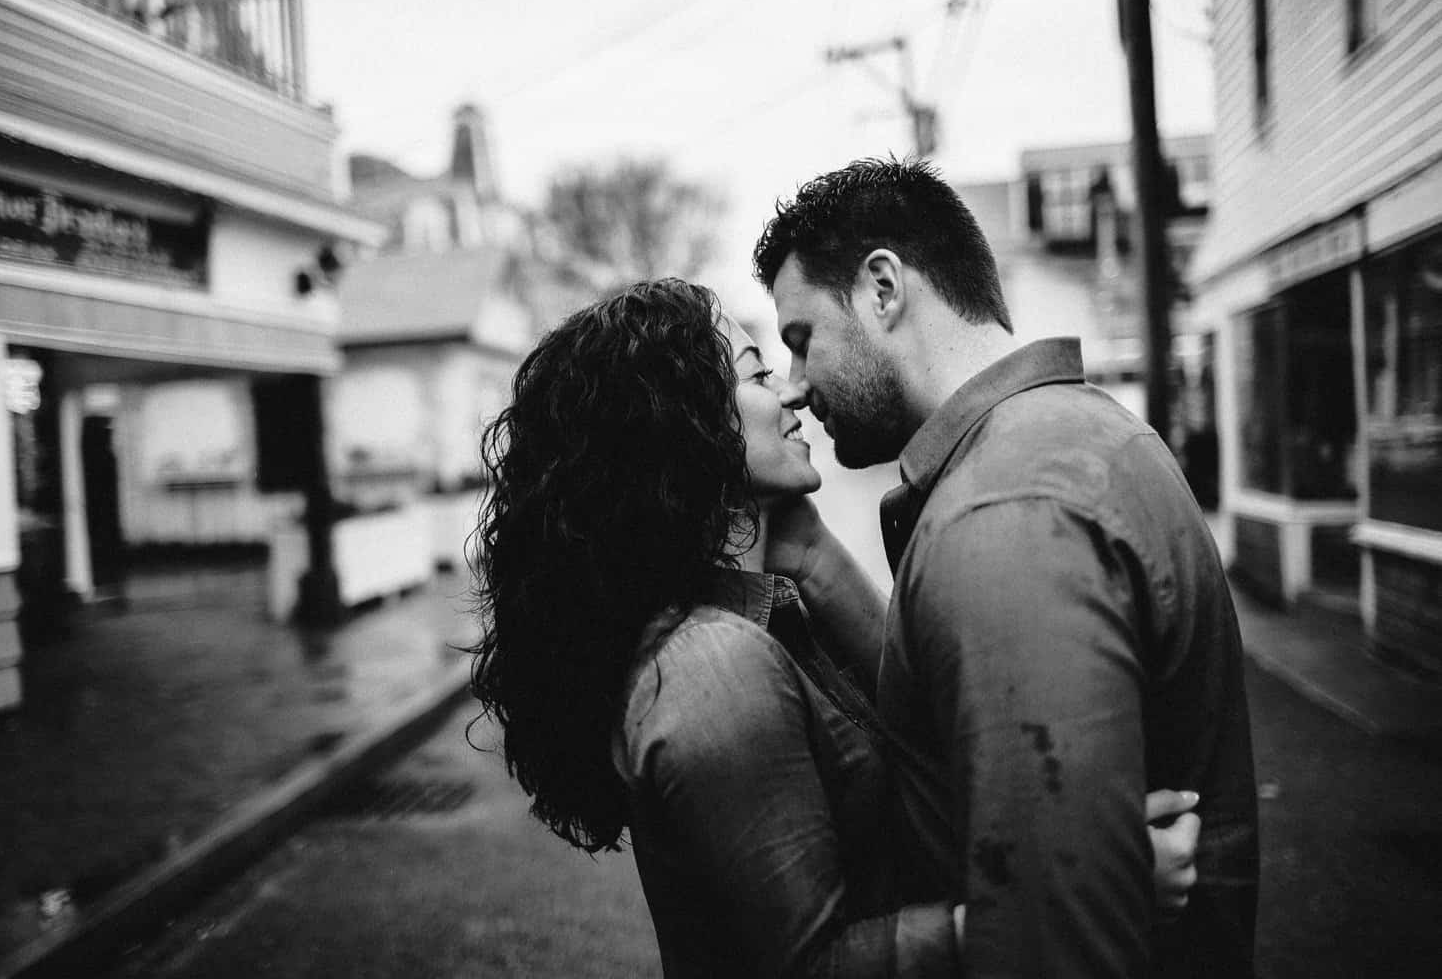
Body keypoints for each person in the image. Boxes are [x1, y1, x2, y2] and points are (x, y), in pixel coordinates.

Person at [469, 279, 1203, 977]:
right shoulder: (714, 668)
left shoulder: (758, 615)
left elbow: (919, 729)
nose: (791, 390)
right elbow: (810, 965)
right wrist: (1077, 901)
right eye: (757, 374)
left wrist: (813, 556)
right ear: (681, 424)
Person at [751, 158, 1259, 978]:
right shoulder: (1074, 435)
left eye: (802, 340)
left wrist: (1069, 879)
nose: (799, 387)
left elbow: (1056, 948)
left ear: (883, 288)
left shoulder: (1006, 511)